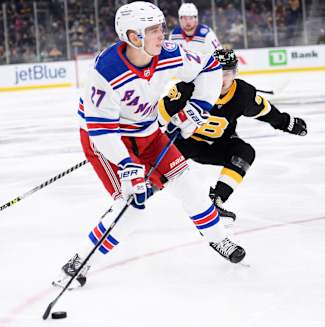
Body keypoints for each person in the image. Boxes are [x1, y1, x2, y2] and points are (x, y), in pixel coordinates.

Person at [54, 2, 245, 289]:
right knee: (133, 205)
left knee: (188, 184)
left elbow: (209, 64)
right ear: (133, 36)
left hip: (148, 132)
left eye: (161, 28)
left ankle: (219, 238)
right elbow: (100, 130)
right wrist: (127, 165)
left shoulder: (167, 54)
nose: (162, 35)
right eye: (153, 30)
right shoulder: (105, 71)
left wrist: (199, 106)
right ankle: (79, 262)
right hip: (108, 140)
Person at [159, 49, 307, 224]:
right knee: (156, 171)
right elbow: (157, 117)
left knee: (245, 152)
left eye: (227, 73)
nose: (221, 79)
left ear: (235, 73)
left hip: (219, 145)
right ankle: (140, 189)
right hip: (185, 143)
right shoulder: (188, 89)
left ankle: (216, 200)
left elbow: (266, 112)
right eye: (217, 73)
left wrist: (286, 122)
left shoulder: (242, 94)